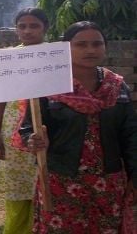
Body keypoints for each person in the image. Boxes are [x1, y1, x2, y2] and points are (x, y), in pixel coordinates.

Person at [26, 21, 136, 233]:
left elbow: (131, 133)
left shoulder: (116, 85)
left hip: (108, 180)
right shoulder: (48, 84)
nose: (90, 50)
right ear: (65, 47)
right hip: (61, 179)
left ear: (105, 47)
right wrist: (34, 139)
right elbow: (28, 127)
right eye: (81, 44)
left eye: (97, 44)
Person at [0, 8, 49, 233]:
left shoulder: (57, 56)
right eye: (22, 26)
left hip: (49, 127)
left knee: (46, 184)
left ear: (45, 28)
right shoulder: (7, 58)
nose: (27, 31)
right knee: (18, 189)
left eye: (34, 26)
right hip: (14, 128)